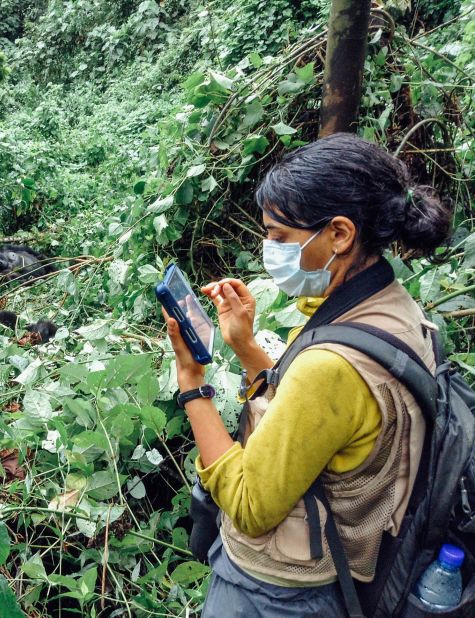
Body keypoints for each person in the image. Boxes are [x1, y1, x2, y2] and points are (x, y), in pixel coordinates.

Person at [164, 133, 452, 616]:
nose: (268, 248)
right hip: (350, 564)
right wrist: (246, 347)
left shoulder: (331, 367)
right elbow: (317, 422)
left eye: (279, 237)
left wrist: (193, 387)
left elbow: (250, 506)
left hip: (281, 591)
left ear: (339, 234)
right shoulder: (389, 305)